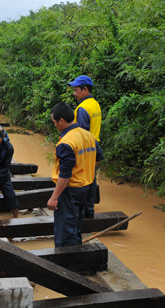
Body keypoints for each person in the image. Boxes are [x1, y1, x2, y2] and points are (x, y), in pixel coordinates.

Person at [47, 102, 103, 247]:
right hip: (85, 188)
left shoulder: (66, 142)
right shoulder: (88, 135)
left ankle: (66, 263)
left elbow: (65, 174)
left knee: (65, 232)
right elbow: (98, 158)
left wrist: (54, 197)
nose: (55, 125)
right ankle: (77, 255)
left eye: (54, 122)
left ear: (61, 121)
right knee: (76, 226)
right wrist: (83, 170)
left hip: (70, 191)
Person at [68, 75, 102, 219]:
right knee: (91, 179)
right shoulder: (95, 104)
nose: (74, 94)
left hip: (85, 149)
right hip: (94, 147)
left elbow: (81, 133)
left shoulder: (83, 108)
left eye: (76, 90)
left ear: (85, 89)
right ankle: (89, 213)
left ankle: (82, 215)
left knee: (83, 181)